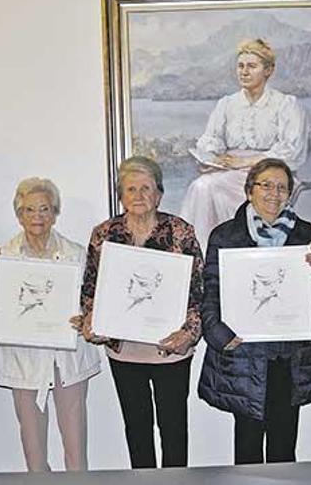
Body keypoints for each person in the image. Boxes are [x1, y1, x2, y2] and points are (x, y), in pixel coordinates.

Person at [198, 158, 311, 465]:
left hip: (290, 358)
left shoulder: (303, 231)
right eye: (266, 185)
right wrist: (219, 336)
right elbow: (211, 294)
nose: (274, 193)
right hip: (244, 356)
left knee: (284, 450)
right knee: (247, 450)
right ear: (249, 191)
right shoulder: (225, 235)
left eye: (282, 187)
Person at [73, 156, 203, 469]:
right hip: (124, 352)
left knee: (173, 429)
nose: (139, 195)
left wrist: (189, 332)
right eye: (131, 189)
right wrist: (92, 320)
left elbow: (199, 288)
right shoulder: (104, 234)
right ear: (121, 195)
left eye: (146, 188)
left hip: (170, 350)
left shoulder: (180, 231)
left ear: (159, 194)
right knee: (137, 429)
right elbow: (90, 288)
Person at [0, 177, 100, 471]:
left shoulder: (77, 253)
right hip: (24, 361)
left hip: (68, 358)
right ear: (19, 215)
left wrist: (85, 317)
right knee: (33, 450)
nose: (37, 217)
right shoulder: (3, 258)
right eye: (29, 210)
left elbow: (91, 300)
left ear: (55, 213)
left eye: (44, 209)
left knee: (76, 449)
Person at [180, 38, 308, 247]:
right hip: (229, 171)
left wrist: (247, 163)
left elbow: (291, 151)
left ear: (268, 70)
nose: (244, 72)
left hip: (271, 173)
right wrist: (210, 159)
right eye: (240, 66)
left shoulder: (285, 104)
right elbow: (211, 139)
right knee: (201, 186)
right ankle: (202, 251)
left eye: (251, 66)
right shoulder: (227, 104)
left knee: (210, 187)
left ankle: (237, 247)